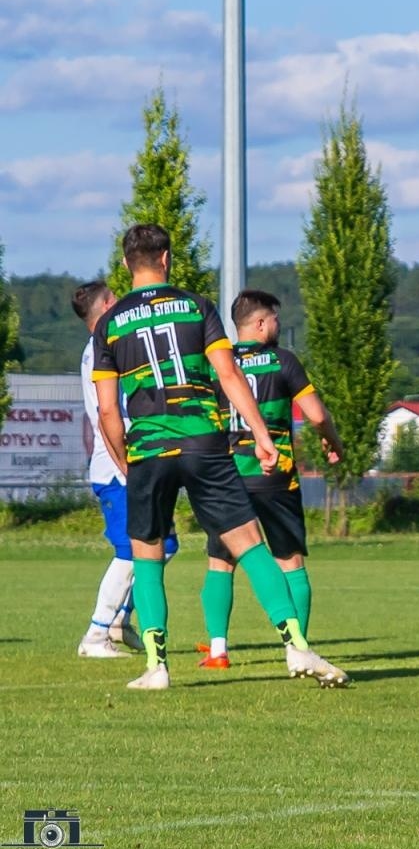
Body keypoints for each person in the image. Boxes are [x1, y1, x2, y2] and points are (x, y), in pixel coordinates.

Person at [91, 224, 349, 690]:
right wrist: (260, 434)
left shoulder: (109, 323)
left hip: (149, 448)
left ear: (128, 263)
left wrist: (126, 463)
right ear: (166, 258)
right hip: (205, 444)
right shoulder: (197, 307)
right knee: (249, 543)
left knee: (147, 555)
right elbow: (228, 374)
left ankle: (156, 666)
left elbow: (108, 409)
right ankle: (297, 647)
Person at [193, 290, 345, 670]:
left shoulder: (217, 364)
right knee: (290, 562)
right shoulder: (284, 361)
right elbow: (315, 414)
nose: (278, 325)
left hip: (230, 477)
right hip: (275, 476)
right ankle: (298, 650)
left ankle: (218, 651)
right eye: (275, 319)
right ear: (260, 324)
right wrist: (332, 439)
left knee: (220, 562)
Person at [72, 280, 178, 659]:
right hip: (118, 466)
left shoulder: (107, 345)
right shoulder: (102, 349)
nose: (119, 302)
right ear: (103, 307)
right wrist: (127, 463)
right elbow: (108, 413)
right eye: (113, 299)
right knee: (133, 551)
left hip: (135, 460)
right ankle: (95, 636)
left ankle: (119, 620)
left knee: (164, 545)